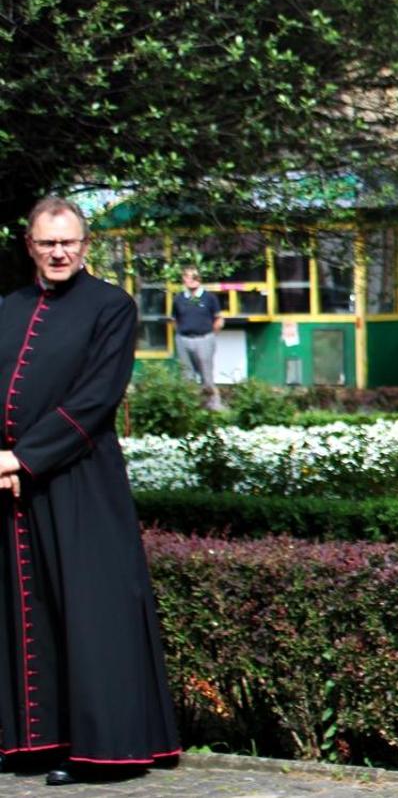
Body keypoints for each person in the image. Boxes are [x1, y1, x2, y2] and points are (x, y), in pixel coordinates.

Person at [0, 198, 181, 784]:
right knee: (25, 611)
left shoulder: (111, 306)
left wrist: (22, 457)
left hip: (79, 477)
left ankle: (102, 752)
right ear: (29, 244)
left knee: (89, 610)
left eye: (69, 242)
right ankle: (31, 743)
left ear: (85, 245)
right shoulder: (8, 308)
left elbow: (96, 398)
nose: (59, 252)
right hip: (10, 486)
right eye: (47, 242)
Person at [171, 265, 225, 410]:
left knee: (206, 375)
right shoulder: (178, 299)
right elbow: (174, 319)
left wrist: (210, 335)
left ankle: (213, 406)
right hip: (184, 339)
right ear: (184, 279)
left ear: (199, 279)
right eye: (188, 277)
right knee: (186, 375)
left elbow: (219, 319)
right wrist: (181, 333)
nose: (192, 280)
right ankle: (190, 407)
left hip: (204, 338)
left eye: (194, 277)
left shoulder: (209, 298)